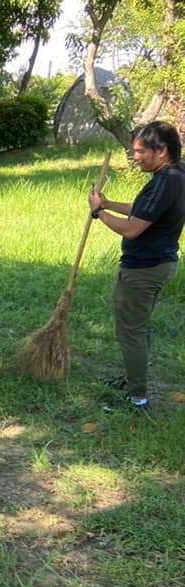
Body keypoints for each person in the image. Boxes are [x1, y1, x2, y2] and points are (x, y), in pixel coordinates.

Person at [88, 121, 185, 409]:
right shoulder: (176, 174)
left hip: (144, 268)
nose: (136, 157)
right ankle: (133, 379)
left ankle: (137, 398)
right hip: (159, 262)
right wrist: (107, 204)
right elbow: (143, 209)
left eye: (142, 151)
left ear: (162, 151)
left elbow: (132, 229)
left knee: (130, 331)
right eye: (134, 151)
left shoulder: (166, 181)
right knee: (138, 328)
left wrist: (97, 214)